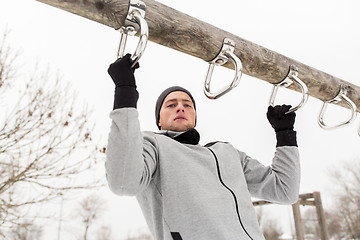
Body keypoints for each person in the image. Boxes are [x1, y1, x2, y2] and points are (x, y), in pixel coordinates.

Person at [105, 54, 300, 240]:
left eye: (187, 105)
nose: (180, 107)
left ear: (195, 117)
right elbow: (123, 181)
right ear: (159, 120)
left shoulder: (227, 154)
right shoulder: (153, 146)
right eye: (171, 105)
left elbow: (284, 190)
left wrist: (285, 135)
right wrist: (125, 92)